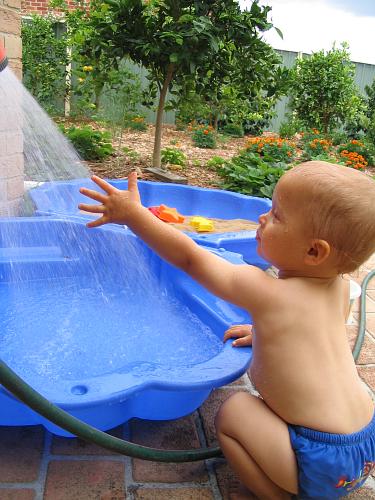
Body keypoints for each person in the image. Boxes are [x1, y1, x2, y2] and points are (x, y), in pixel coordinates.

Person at [79, 161, 375, 499]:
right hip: (364, 444)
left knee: (234, 412)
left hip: (318, 458)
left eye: (277, 215)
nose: (263, 218)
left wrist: (135, 216)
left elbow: (191, 258)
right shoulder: (339, 288)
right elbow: (310, 333)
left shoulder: (267, 292)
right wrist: (264, 331)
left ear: (313, 251)